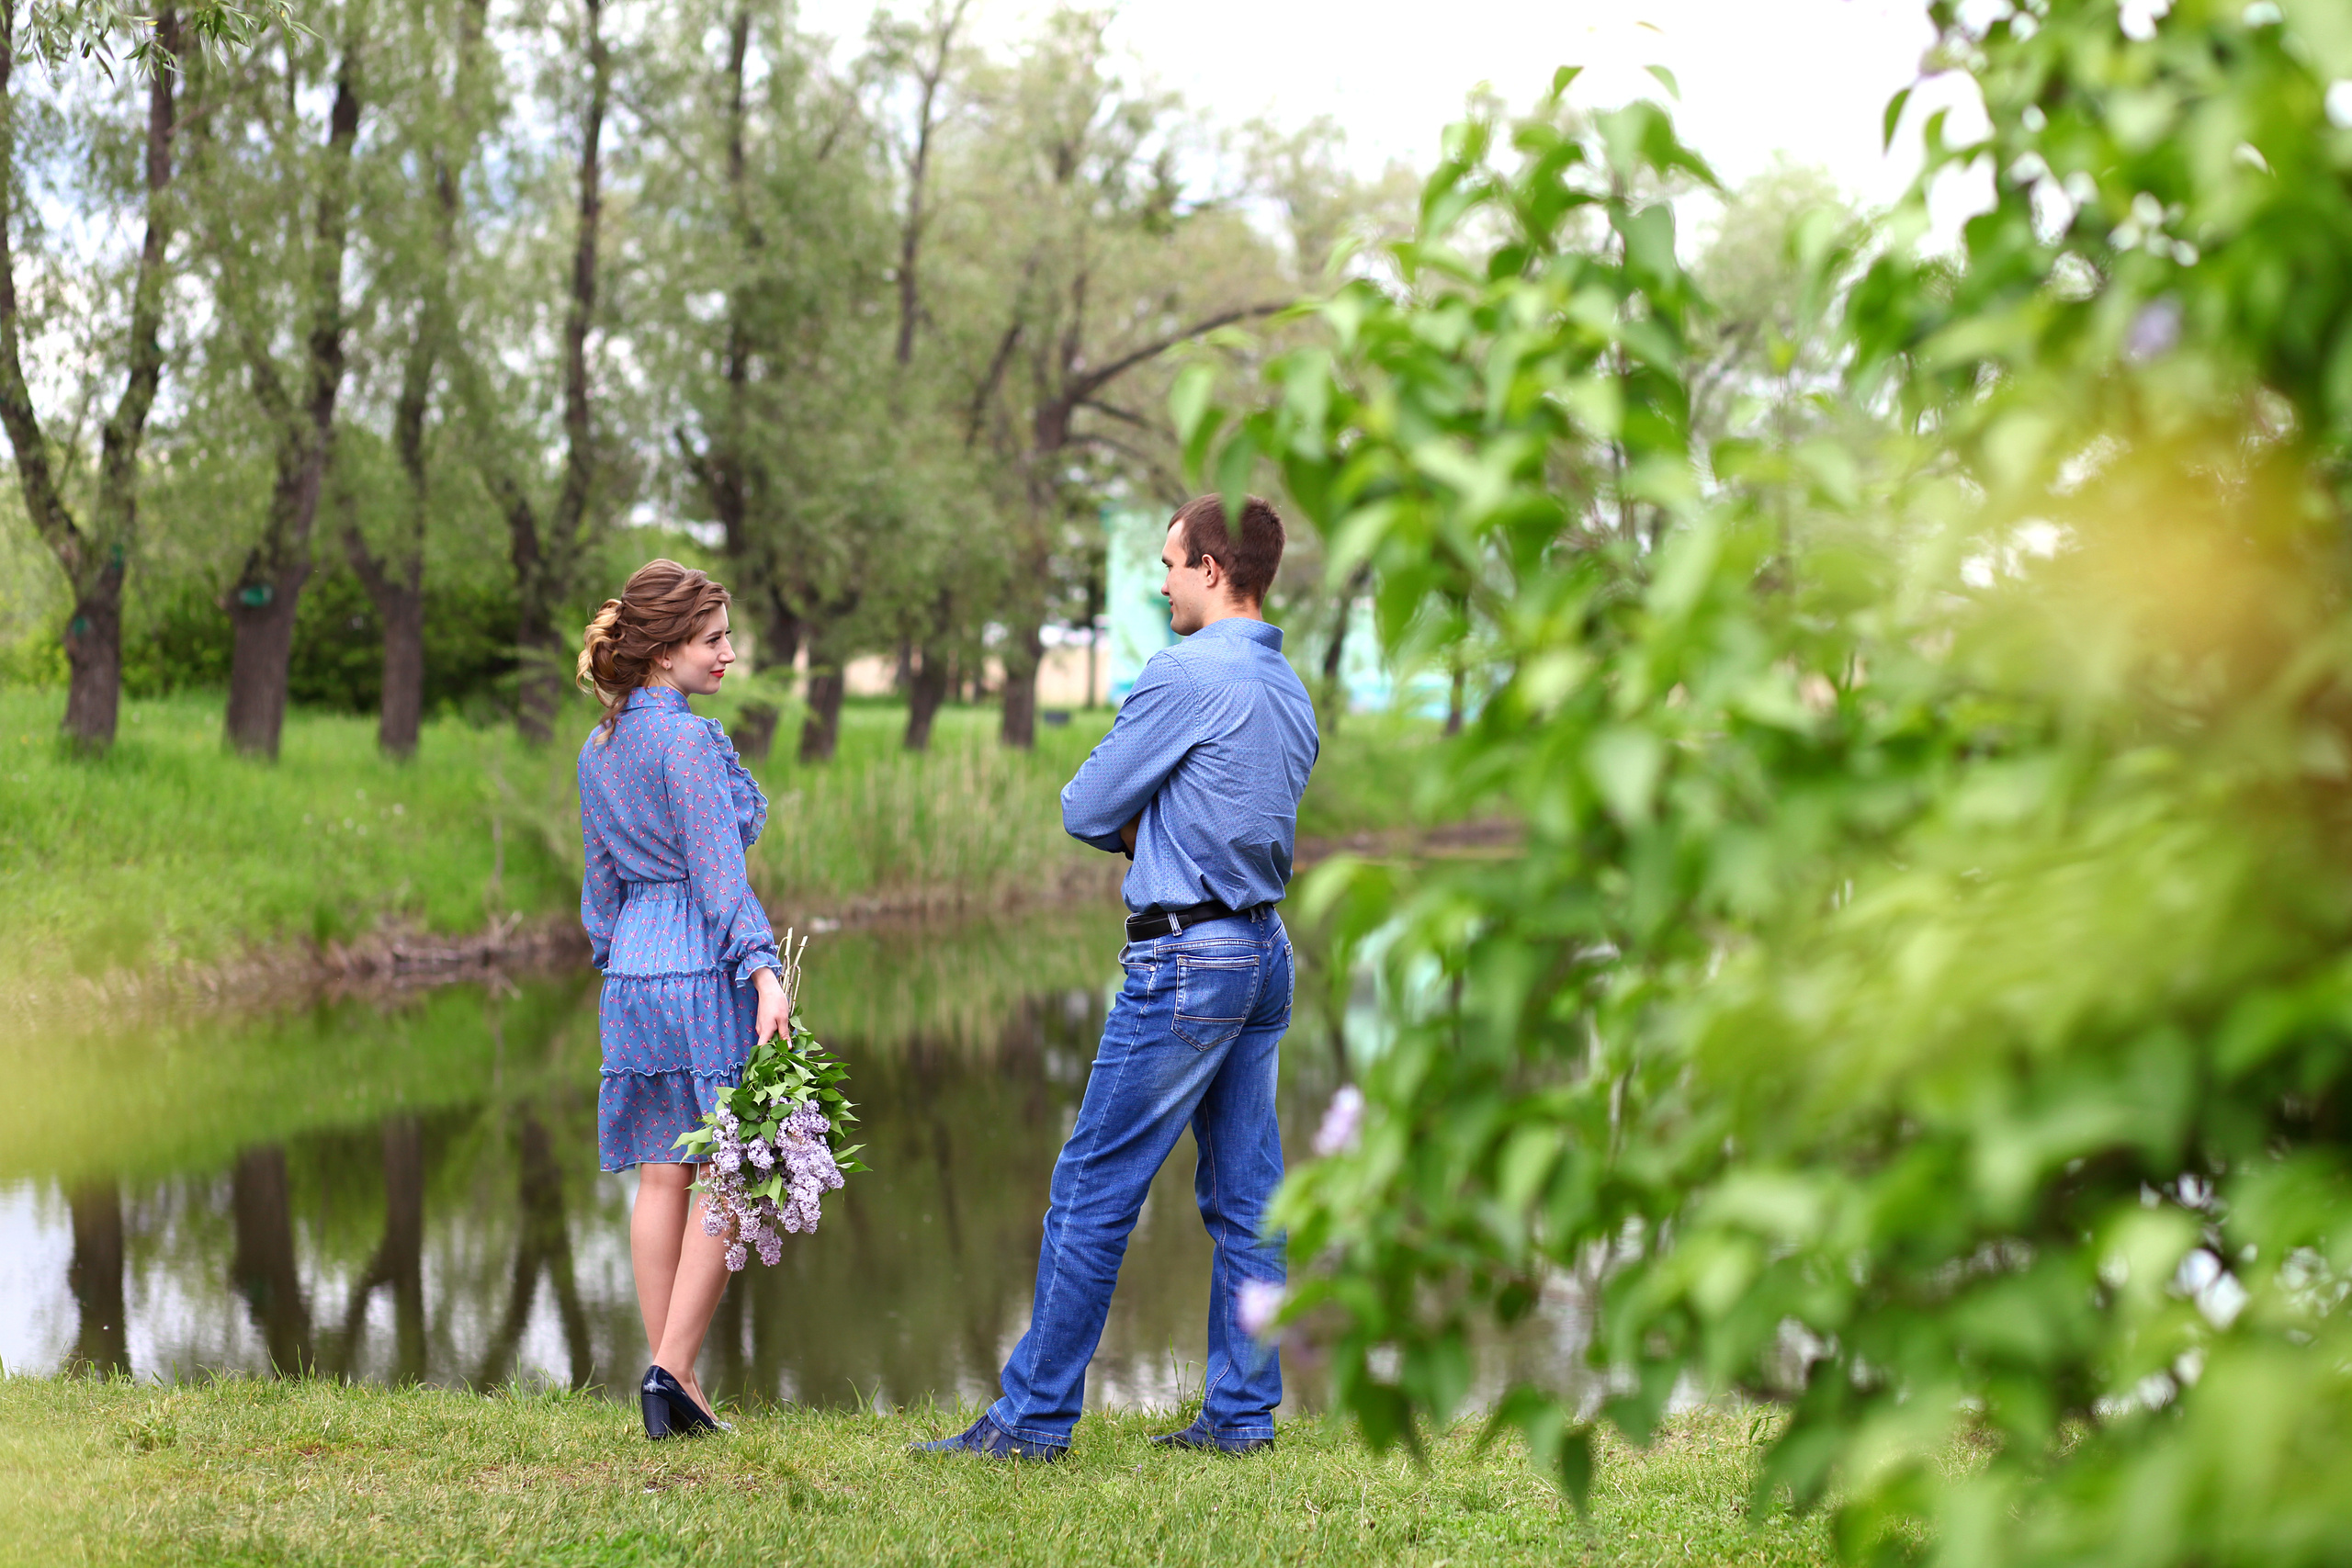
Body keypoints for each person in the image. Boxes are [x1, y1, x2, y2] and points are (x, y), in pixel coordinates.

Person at [915, 494, 1319, 1461]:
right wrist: (1173, 828)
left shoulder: (1184, 673)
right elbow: (1242, 818)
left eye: (1172, 563)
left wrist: (1148, 831)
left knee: (1092, 1190)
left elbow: (1086, 803)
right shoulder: (1290, 689)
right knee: (1250, 1201)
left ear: (1214, 571)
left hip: (1185, 960)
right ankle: (1240, 1419)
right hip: (1261, 955)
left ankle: (1030, 1422)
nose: (1162, 580)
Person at [576, 558, 788, 1440]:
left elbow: (599, 887)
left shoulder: (599, 747)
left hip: (632, 968)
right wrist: (765, 969)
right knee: (734, 1168)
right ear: (664, 652)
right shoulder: (688, 742)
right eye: (714, 639)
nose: (730, 654)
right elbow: (718, 876)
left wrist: (619, 962)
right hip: (701, 960)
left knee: (665, 1169)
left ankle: (677, 1385)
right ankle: (672, 1369)